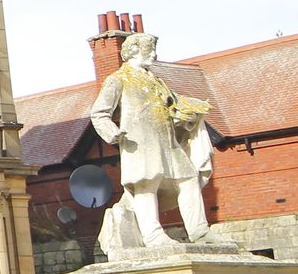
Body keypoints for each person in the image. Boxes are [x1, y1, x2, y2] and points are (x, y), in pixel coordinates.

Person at [88, 31, 214, 250]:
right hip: (138, 142)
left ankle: (199, 231)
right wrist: (112, 131)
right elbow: (99, 113)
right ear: (134, 51)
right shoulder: (118, 79)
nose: (154, 55)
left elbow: (174, 104)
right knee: (146, 185)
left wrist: (191, 110)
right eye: (150, 50)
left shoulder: (156, 81)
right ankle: (152, 234)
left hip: (167, 141)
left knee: (189, 179)